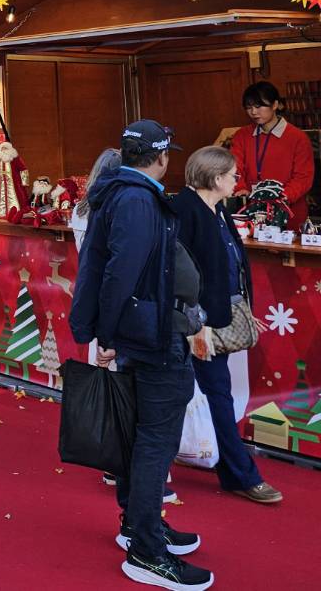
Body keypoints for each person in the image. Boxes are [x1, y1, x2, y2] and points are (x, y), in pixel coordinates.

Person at [70, 120, 211, 591]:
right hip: (150, 335)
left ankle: (141, 525)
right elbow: (119, 270)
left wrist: (102, 328)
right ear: (161, 157)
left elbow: (105, 266)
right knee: (156, 441)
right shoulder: (136, 199)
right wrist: (106, 332)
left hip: (142, 330)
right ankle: (146, 548)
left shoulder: (124, 194)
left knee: (145, 436)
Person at [174, 146, 283, 506]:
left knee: (212, 393)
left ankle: (235, 472)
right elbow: (183, 273)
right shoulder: (185, 212)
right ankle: (240, 474)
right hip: (196, 323)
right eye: (234, 175)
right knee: (211, 394)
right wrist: (196, 320)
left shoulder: (218, 209)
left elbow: (231, 264)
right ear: (216, 178)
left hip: (220, 315)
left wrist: (244, 304)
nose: (238, 181)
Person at [230, 81, 315, 227]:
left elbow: (303, 177)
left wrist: (280, 198)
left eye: (259, 106)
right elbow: (234, 167)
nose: (254, 112)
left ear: (275, 105)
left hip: (288, 210)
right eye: (249, 107)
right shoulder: (241, 135)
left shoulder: (298, 137)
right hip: (251, 210)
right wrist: (240, 188)